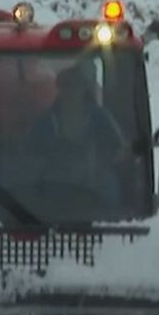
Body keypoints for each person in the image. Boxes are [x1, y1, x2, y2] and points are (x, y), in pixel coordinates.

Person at [22, 63, 127, 208]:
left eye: (76, 86)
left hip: (94, 182)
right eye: (66, 86)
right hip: (56, 183)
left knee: (110, 192)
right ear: (59, 89)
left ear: (84, 89)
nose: (71, 92)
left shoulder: (100, 117)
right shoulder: (46, 121)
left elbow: (120, 150)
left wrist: (99, 164)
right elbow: (30, 154)